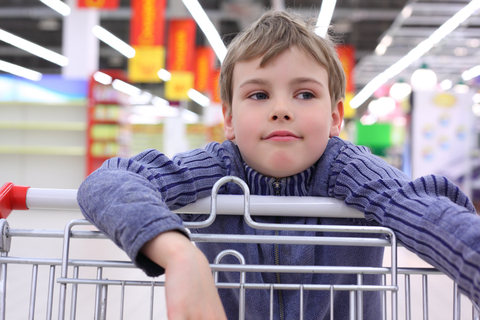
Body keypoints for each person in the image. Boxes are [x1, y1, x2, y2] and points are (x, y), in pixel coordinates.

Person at [77, 10, 480, 320]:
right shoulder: (216, 167)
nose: (282, 110)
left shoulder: (350, 169)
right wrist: (179, 254)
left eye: (304, 94)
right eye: (258, 95)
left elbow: (423, 209)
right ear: (229, 119)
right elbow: (110, 181)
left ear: (336, 117)